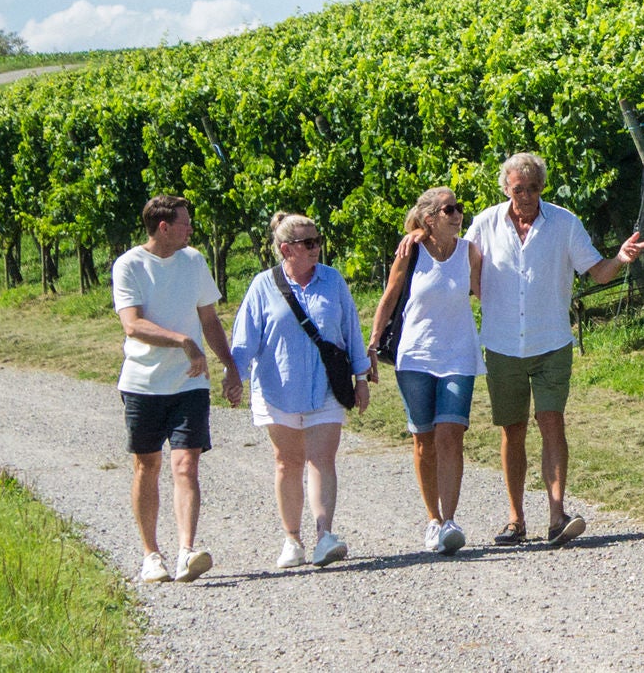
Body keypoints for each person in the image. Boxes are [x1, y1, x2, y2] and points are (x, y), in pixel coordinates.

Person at [465, 152, 644, 546]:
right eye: (519, 189)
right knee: (511, 430)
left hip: (551, 342)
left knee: (552, 423)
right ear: (506, 188)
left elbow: (596, 272)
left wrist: (619, 259)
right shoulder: (484, 224)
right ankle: (516, 520)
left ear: (542, 188)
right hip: (501, 344)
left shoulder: (564, 223)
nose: (527, 196)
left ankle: (556, 514)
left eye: (534, 189)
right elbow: (462, 268)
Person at [227, 211, 372, 569]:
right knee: (287, 462)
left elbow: (350, 331)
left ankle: (325, 536)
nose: (316, 248)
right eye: (308, 243)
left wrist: (362, 378)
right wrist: (235, 376)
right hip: (278, 388)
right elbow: (245, 339)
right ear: (285, 249)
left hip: (326, 386)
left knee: (322, 460)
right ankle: (292, 539)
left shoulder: (333, 281)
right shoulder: (263, 285)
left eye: (318, 240)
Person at [113, 194, 240, 584]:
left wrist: (230, 365)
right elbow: (132, 325)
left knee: (186, 463)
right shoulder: (129, 265)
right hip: (143, 383)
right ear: (164, 227)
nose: (191, 228)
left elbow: (210, 319)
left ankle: (186, 550)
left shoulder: (194, 261)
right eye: (185, 222)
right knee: (147, 465)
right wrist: (183, 341)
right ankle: (151, 554)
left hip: (190, 383)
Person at [368, 185, 482, 555]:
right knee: (424, 439)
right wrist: (371, 345)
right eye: (449, 209)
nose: (458, 214)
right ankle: (432, 519)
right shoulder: (411, 250)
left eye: (459, 207)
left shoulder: (470, 251)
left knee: (452, 433)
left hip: (459, 356)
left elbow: (486, 293)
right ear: (430, 218)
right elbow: (389, 297)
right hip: (415, 355)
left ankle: (450, 520)